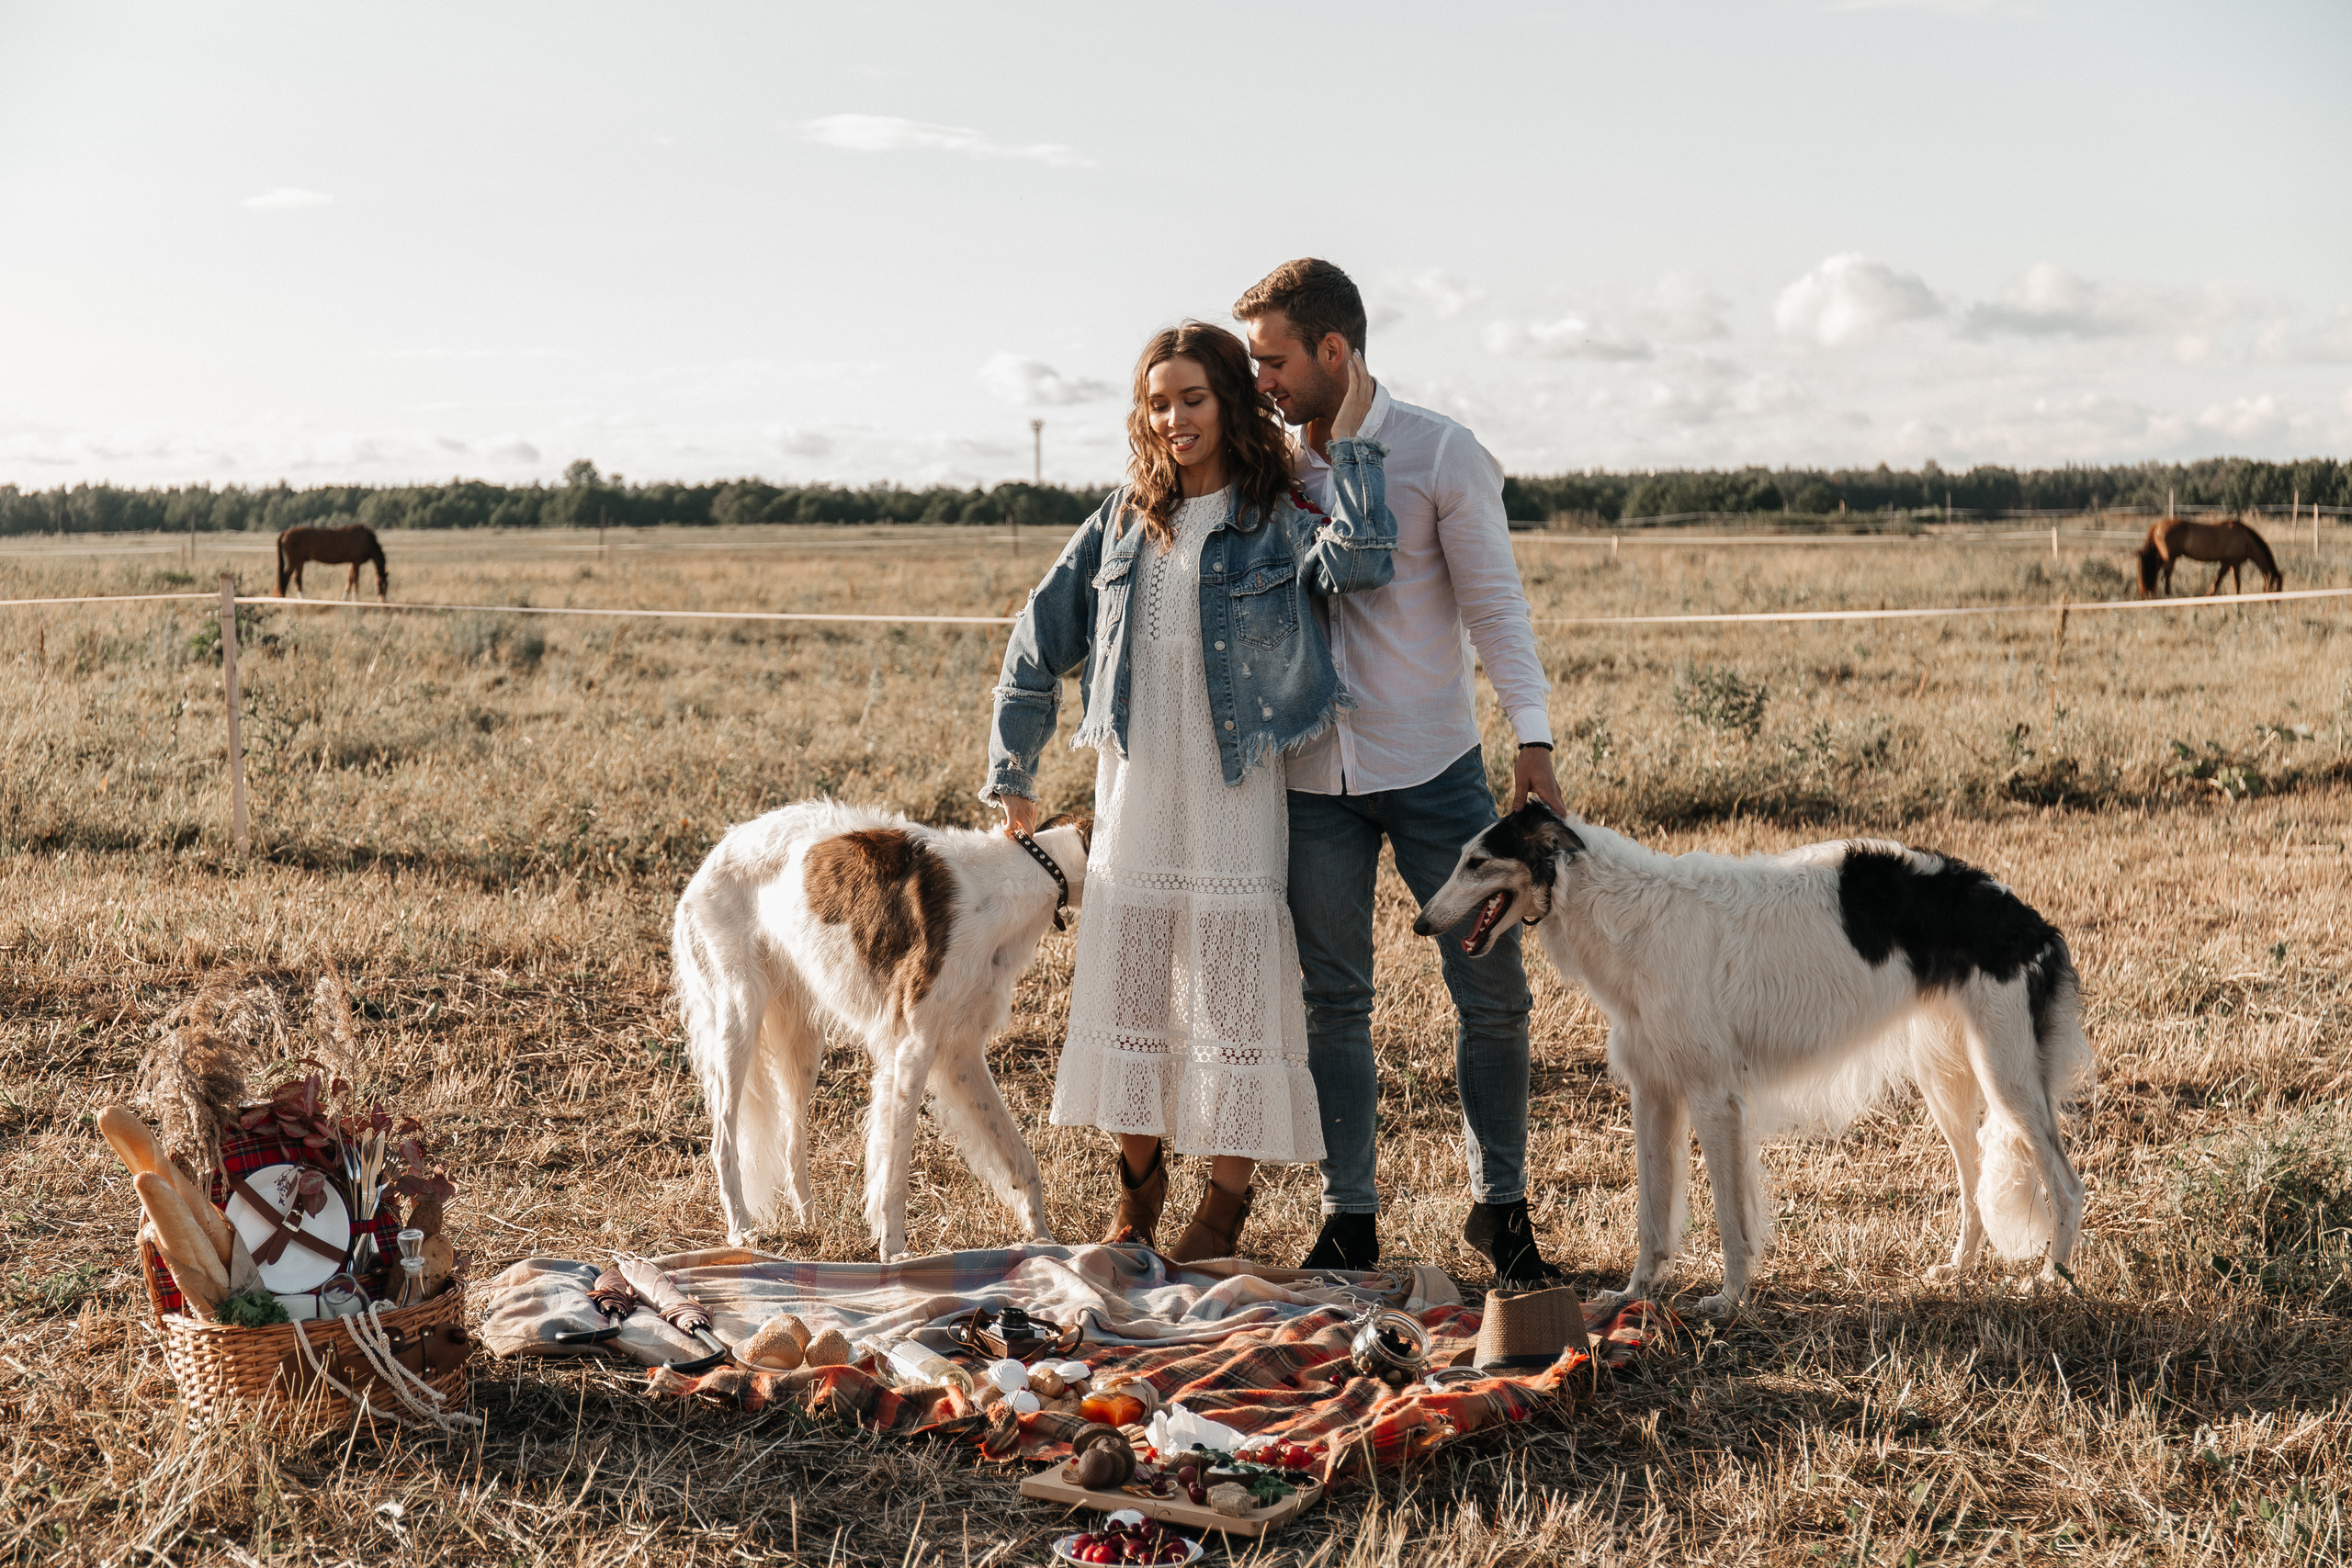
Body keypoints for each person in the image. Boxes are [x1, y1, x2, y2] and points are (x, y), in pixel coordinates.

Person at [983, 320, 1396, 1261]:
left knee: (1232, 994)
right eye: (1159, 403)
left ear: (1231, 403)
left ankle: (1223, 1203)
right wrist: (1014, 774)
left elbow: (1363, 563)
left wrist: (1350, 444)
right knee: (1130, 983)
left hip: (1234, 788)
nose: (1174, 419)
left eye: (1193, 399)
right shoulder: (1123, 518)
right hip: (1137, 787)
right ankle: (1138, 1186)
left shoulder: (1277, 517)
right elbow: (1037, 636)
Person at [1234, 258, 1569, 1286]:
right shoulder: (1266, 470)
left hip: (1436, 773)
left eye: (1273, 361)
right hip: (1310, 780)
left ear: (1333, 351)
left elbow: (1495, 606)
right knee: (1333, 1001)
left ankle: (1501, 1208)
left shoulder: (1441, 453)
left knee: (1492, 991)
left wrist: (1533, 739)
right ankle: (1349, 1219)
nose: (1260, 381)